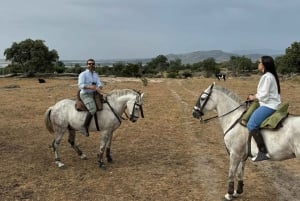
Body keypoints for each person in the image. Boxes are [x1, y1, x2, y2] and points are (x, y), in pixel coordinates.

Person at [247, 56, 281, 162]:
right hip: (268, 103)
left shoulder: (267, 77)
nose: (258, 64)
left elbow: (264, 95)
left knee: (251, 124)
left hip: (269, 105)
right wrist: (255, 96)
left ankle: (263, 152)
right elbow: (263, 93)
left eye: (259, 62)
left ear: (264, 64)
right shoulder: (269, 76)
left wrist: (254, 97)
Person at [78, 59, 103, 137]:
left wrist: (100, 87)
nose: (91, 65)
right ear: (87, 65)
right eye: (89, 64)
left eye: (92, 64)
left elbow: (99, 83)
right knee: (93, 109)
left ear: (94, 65)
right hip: (85, 94)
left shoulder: (95, 74)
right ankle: (84, 127)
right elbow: (80, 85)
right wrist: (90, 87)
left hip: (94, 94)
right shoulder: (83, 74)